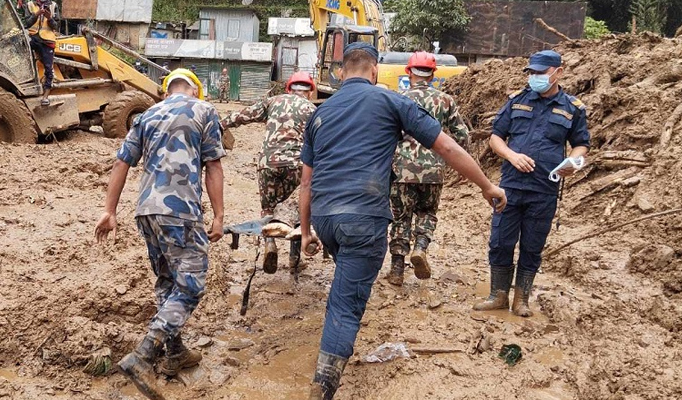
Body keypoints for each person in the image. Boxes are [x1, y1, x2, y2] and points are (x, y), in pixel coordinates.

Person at [298, 42, 506, 399]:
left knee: (345, 281)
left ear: (341, 72)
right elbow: (448, 147)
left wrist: (305, 233)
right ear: (375, 71)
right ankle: (324, 385)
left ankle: (334, 344)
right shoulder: (390, 101)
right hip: (363, 217)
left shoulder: (320, 112)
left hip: (324, 219)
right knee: (344, 305)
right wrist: (486, 185)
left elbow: (306, 181)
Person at [94, 68, 225, 400]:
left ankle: (175, 353)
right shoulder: (204, 110)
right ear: (195, 90)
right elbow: (213, 166)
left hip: (146, 212)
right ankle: (143, 355)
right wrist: (220, 214)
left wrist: (109, 211)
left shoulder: (147, 114)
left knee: (168, 281)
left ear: (166, 92)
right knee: (191, 285)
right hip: (180, 211)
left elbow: (121, 163)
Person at [473, 50, 589, 317]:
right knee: (501, 241)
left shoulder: (573, 108)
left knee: (532, 245)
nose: (535, 77)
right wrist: (512, 156)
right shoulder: (517, 101)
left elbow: (581, 145)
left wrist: (573, 163)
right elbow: (495, 138)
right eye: (532, 73)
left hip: (544, 189)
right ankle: (498, 295)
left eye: (541, 73)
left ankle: (521, 299)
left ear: (558, 72)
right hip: (510, 187)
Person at [384, 51, 471, 286]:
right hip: (433, 171)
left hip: (402, 170)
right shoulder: (445, 101)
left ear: (408, 72)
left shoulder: (398, 99)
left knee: (401, 218)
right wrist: (457, 165)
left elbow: (386, 136)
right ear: (433, 75)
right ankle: (420, 249)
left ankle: (397, 270)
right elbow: (462, 135)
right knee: (427, 213)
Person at [221, 71, 317, 273]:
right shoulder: (312, 109)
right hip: (298, 165)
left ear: (289, 88)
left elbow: (244, 116)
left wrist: (221, 124)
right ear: (310, 92)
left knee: (268, 209)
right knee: (298, 209)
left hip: (268, 164)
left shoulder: (273, 101)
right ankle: (294, 259)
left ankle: (270, 245)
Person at [23, 0, 58, 106]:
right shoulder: (30, 5)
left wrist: (50, 18)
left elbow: (56, 26)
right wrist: (36, 14)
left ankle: (45, 95)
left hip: (47, 40)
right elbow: (26, 24)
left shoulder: (53, 6)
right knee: (23, 59)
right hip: (33, 38)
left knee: (49, 68)